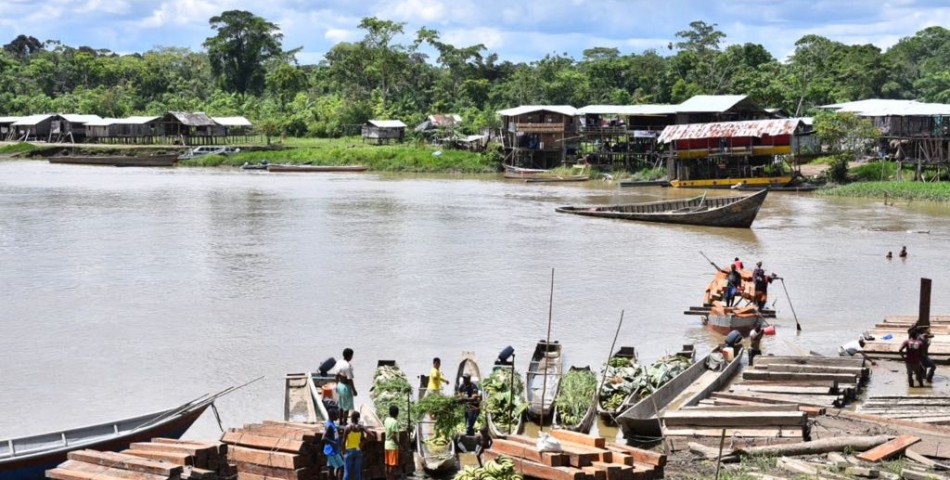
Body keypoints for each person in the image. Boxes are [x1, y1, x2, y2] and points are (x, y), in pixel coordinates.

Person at [335, 348, 357, 425]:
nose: (352, 357)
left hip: (340, 385)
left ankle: (340, 421)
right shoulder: (347, 366)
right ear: (349, 356)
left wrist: (336, 385)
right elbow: (350, 380)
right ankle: (344, 422)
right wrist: (354, 390)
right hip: (346, 387)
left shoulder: (339, 362)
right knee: (346, 406)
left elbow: (336, 375)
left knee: (341, 404)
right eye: (352, 355)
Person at [342, 411, 365, 480]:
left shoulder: (348, 427)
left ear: (351, 418)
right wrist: (362, 444)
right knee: (357, 472)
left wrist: (343, 450)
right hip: (358, 450)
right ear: (358, 418)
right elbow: (364, 438)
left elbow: (343, 440)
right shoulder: (360, 428)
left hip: (349, 450)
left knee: (347, 472)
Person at [383, 405, 400, 480]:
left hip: (386, 445)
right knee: (392, 466)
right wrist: (399, 444)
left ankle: (387, 478)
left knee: (387, 464)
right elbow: (393, 435)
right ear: (397, 413)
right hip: (392, 446)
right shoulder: (395, 422)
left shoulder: (386, 420)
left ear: (389, 413)